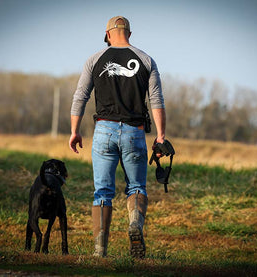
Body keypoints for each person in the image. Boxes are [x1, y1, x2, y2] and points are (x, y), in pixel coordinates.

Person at [69, 16, 166, 259]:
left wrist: (75, 131)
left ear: (108, 34)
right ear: (129, 34)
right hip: (134, 132)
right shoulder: (146, 60)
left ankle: (99, 250)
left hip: (104, 130)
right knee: (136, 187)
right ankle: (135, 224)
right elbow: (156, 100)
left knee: (102, 192)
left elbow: (80, 96)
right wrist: (161, 135)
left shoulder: (95, 59)